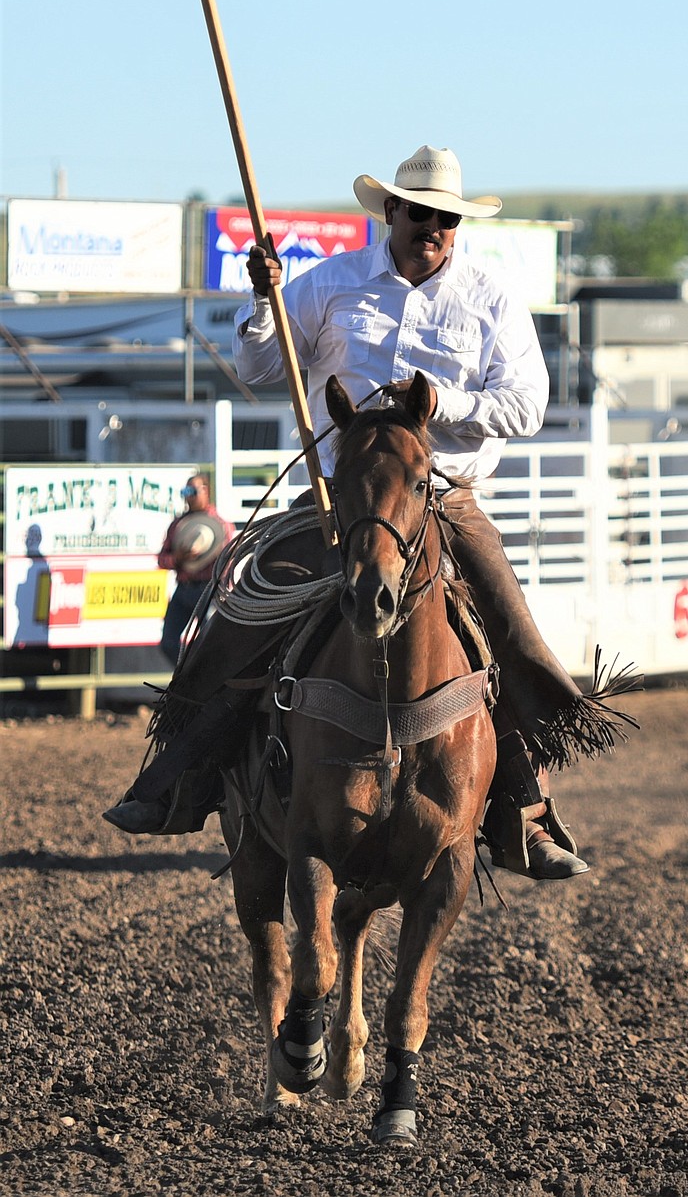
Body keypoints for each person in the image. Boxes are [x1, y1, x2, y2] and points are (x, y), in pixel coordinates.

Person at [106, 146, 621, 880]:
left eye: (446, 217)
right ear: (392, 213)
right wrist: (265, 305)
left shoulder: (490, 297)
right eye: (421, 214)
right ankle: (176, 777)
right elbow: (258, 367)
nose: (434, 227)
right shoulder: (332, 284)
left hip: (443, 500)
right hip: (335, 504)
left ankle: (524, 812)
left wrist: (448, 404)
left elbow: (526, 406)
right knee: (241, 617)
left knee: (510, 633)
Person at [157, 474, 234, 665]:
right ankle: (186, 674)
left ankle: (201, 679)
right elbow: (161, 559)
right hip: (184, 588)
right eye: (185, 492)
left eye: (192, 491)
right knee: (168, 642)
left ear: (205, 491)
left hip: (208, 590)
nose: (188, 496)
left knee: (210, 642)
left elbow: (228, 560)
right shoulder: (178, 525)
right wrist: (178, 559)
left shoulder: (221, 526)